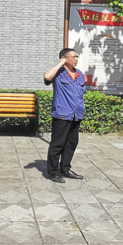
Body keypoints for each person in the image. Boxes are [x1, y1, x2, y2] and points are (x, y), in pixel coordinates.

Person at [43, 48, 86, 183]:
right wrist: (60, 64)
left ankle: (65, 169)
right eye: (73, 57)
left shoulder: (79, 73)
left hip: (76, 114)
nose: (76, 59)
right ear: (64, 58)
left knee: (71, 143)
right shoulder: (58, 73)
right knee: (57, 144)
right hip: (62, 113)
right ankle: (53, 172)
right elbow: (47, 77)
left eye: (77, 57)